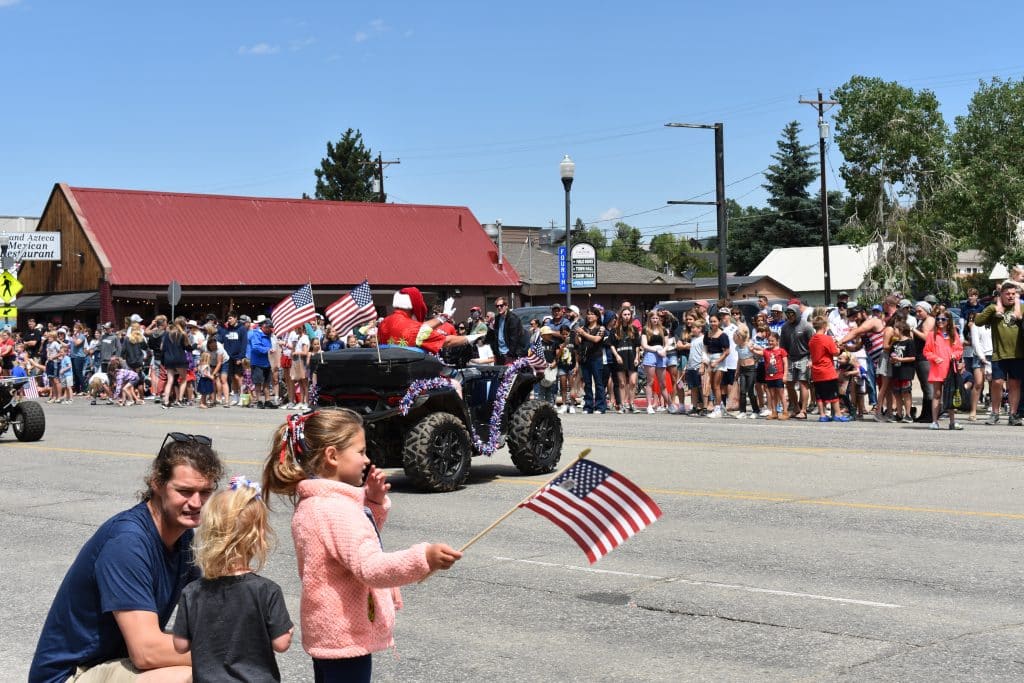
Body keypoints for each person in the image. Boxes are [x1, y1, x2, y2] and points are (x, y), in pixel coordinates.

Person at [261, 410, 462, 682]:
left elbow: (349, 548)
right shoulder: (336, 510)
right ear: (332, 456)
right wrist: (423, 557)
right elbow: (369, 566)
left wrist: (373, 504)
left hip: (330, 634)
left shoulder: (316, 503)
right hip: (345, 639)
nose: (367, 459)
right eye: (361, 451)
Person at [30, 433, 223, 683]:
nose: (197, 503)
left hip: (115, 663)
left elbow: (208, 612)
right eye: (184, 491)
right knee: (191, 676)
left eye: (206, 492)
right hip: (72, 674)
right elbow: (146, 651)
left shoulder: (184, 538)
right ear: (157, 483)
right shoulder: (127, 542)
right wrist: (232, 651)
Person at [172, 476, 293, 681]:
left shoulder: (192, 592)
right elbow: (280, 644)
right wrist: (288, 631)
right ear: (257, 538)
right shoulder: (266, 590)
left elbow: (180, 645)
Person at [975, 281, 1024, 425]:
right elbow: (978, 321)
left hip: (1018, 354)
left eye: (1013, 294)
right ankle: (995, 413)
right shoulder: (993, 308)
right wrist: (993, 311)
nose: (1010, 296)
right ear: (1001, 294)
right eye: (1007, 294)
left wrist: (1020, 318)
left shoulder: (1021, 307)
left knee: (1015, 384)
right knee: (997, 382)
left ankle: (1013, 414)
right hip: (999, 353)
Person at [377, 287, 477, 354]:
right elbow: (448, 341)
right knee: (455, 384)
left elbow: (421, 327)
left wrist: (443, 318)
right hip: (412, 374)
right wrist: (473, 337)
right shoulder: (416, 329)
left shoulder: (383, 323)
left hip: (387, 372)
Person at [924, 310, 964, 430]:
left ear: (948, 321)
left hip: (950, 369)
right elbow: (926, 351)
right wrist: (935, 358)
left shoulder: (953, 334)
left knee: (951, 395)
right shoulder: (932, 335)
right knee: (937, 394)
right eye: (938, 319)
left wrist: (955, 355)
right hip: (937, 369)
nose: (940, 321)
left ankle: (952, 422)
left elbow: (959, 349)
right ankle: (935, 421)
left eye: (943, 319)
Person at [809, 315, 848, 422]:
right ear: (824, 326)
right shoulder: (827, 339)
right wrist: (840, 349)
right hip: (827, 370)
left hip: (816, 371)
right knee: (833, 394)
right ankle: (838, 414)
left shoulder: (812, 339)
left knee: (820, 395)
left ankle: (822, 415)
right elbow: (835, 352)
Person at [780, 303, 814, 419]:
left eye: (792, 313)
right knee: (789, 384)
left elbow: (813, 345)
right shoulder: (785, 327)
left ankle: (803, 411)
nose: (789, 316)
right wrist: (783, 360)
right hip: (790, 358)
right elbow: (782, 346)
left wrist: (811, 359)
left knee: (803, 383)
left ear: (797, 313)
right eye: (788, 313)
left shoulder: (806, 326)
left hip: (804, 357)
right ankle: (795, 408)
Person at [575, 306, 608, 414]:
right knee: (587, 383)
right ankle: (588, 406)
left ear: (597, 316)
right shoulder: (583, 328)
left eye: (592, 314)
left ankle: (600, 406)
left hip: (596, 358)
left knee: (598, 383)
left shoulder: (601, 328)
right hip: (585, 358)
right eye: (588, 314)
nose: (589, 316)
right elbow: (578, 342)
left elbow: (596, 339)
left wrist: (584, 334)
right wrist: (577, 334)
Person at [483, 296, 528, 364]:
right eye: (497, 306)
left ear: (506, 306)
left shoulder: (513, 319)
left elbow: (514, 338)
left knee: (508, 374)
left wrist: (510, 353)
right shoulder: (497, 318)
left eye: (501, 305)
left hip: (509, 355)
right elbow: (495, 335)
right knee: (499, 373)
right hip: (499, 354)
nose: (499, 307)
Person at [161, 317, 191, 408]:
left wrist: (163, 360)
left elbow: (162, 348)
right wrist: (195, 345)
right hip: (179, 358)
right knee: (184, 379)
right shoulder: (183, 334)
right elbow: (188, 348)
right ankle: (180, 400)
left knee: (170, 380)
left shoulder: (167, 334)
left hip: (168, 358)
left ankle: (166, 401)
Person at [762, 332, 789, 420]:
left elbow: (785, 363)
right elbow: (758, 351)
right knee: (772, 395)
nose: (770, 342)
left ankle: (785, 412)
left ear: (777, 341)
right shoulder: (766, 350)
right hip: (769, 377)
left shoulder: (781, 351)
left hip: (779, 376)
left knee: (781, 394)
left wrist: (785, 375)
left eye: (772, 341)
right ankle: (774, 412)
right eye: (769, 341)